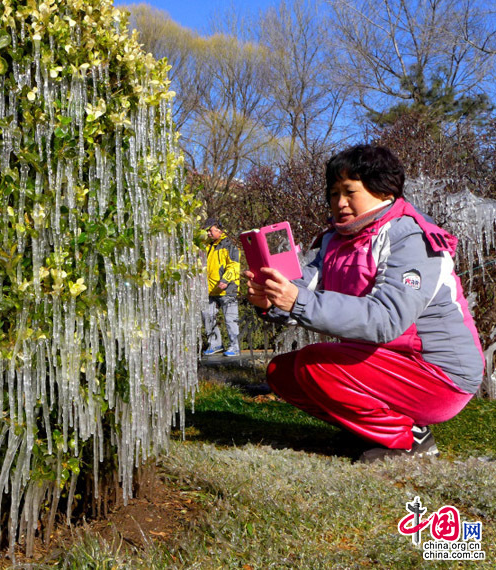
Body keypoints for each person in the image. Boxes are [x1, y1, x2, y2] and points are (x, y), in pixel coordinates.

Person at [246, 144, 484, 463]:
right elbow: (304, 287)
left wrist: (298, 301)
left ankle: (409, 441)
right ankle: (369, 430)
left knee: (314, 363)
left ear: (383, 191)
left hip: (440, 374)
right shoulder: (334, 240)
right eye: (333, 193)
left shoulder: (412, 239)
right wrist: (273, 300)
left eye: (349, 191)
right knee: (283, 372)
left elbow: (386, 320)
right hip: (383, 362)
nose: (339, 203)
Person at [202, 218, 241, 357]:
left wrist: (226, 279)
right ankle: (215, 344)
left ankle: (234, 346)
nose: (208, 233)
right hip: (210, 289)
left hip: (227, 288)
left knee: (230, 318)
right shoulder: (208, 245)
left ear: (219, 229)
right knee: (208, 316)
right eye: (207, 231)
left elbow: (234, 265)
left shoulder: (229, 244)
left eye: (210, 230)